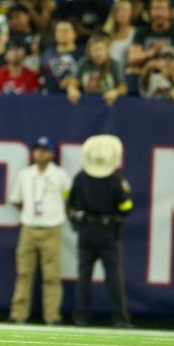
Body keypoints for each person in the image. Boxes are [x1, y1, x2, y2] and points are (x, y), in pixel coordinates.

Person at [68, 135, 134, 328]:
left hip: (86, 231)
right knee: (113, 276)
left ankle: (81, 317)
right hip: (107, 233)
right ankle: (118, 318)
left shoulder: (80, 177)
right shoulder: (116, 180)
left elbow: (71, 204)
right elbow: (126, 207)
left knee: (84, 276)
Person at [7, 137, 70, 325]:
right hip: (29, 228)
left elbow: (69, 201)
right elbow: (17, 200)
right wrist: (31, 215)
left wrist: (53, 215)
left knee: (52, 275)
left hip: (52, 228)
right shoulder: (25, 175)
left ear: (52, 153)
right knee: (24, 273)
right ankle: (19, 314)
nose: (40, 153)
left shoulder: (60, 175)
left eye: (45, 150)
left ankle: (52, 315)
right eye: (37, 149)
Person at [66, 34, 128, 105]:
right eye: (95, 50)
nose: (98, 54)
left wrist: (115, 92)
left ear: (107, 50)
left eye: (101, 49)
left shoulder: (115, 64)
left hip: (109, 104)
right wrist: (71, 89)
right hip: (88, 103)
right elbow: (74, 82)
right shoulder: (84, 62)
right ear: (89, 51)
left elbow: (123, 88)